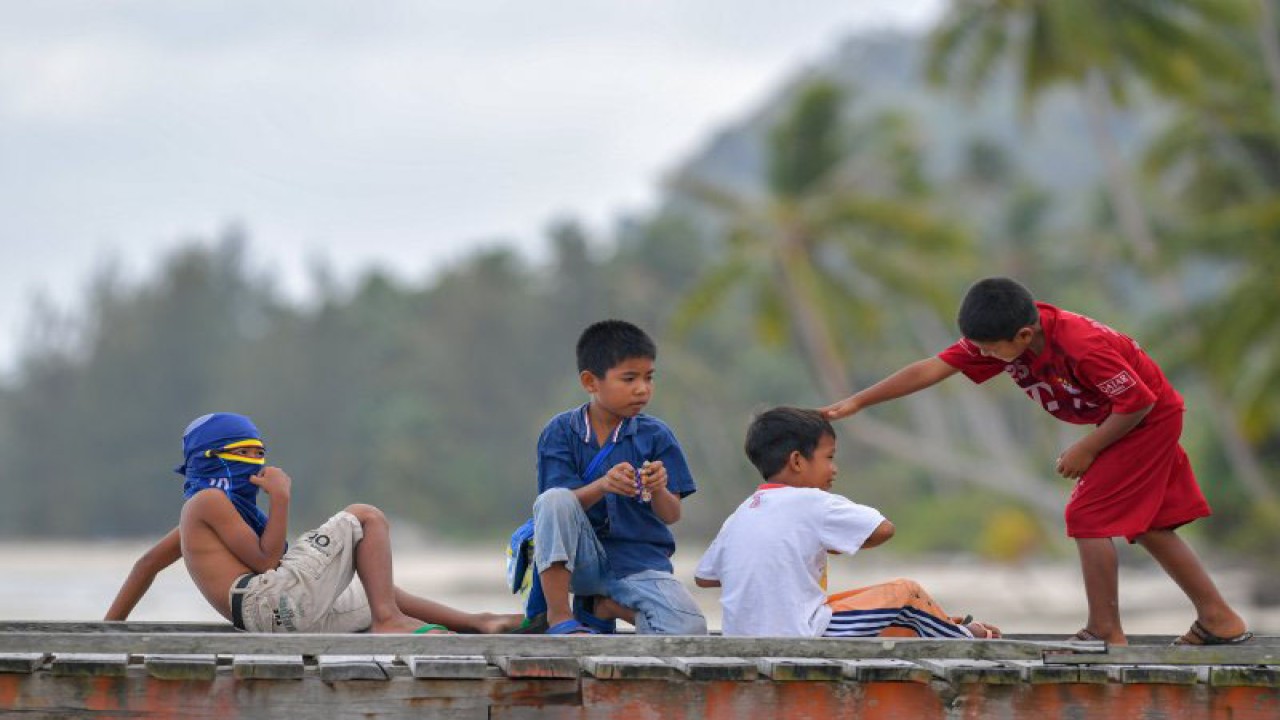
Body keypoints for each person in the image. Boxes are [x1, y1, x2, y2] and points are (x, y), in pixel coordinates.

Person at [821, 277, 1252, 646]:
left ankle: (1104, 630)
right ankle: (1220, 620)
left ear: (1024, 336)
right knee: (1151, 525)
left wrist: (1089, 448)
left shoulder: (1083, 344)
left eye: (991, 351)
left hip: (1145, 419)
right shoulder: (1002, 336)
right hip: (1123, 418)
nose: (984, 358)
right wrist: (858, 401)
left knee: (1086, 516)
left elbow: (1138, 401)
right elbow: (931, 369)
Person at [106, 412, 521, 635]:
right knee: (365, 516)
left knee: (378, 588)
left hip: (281, 616)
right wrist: (282, 498)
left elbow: (147, 565)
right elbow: (268, 563)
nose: (257, 462)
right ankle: (387, 622)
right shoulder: (208, 500)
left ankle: (477, 622)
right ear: (210, 457)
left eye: (259, 451)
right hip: (269, 604)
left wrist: (108, 629)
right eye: (245, 452)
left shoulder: (207, 518)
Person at [694, 407, 999, 639]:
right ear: (798, 461)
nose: (834, 469)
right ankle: (962, 637)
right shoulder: (812, 501)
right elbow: (884, 529)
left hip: (744, 636)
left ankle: (939, 623)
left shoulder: (743, 511)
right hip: (799, 634)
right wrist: (832, 543)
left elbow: (705, 577)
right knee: (907, 593)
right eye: (829, 457)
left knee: (857, 607)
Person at [530, 319, 707, 635]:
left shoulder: (656, 435)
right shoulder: (561, 432)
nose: (642, 389)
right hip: (578, 563)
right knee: (555, 499)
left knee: (688, 630)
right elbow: (555, 509)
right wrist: (603, 485)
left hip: (638, 563)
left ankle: (605, 607)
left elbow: (671, 514)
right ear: (590, 382)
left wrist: (660, 488)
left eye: (649, 378)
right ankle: (561, 618)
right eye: (629, 378)